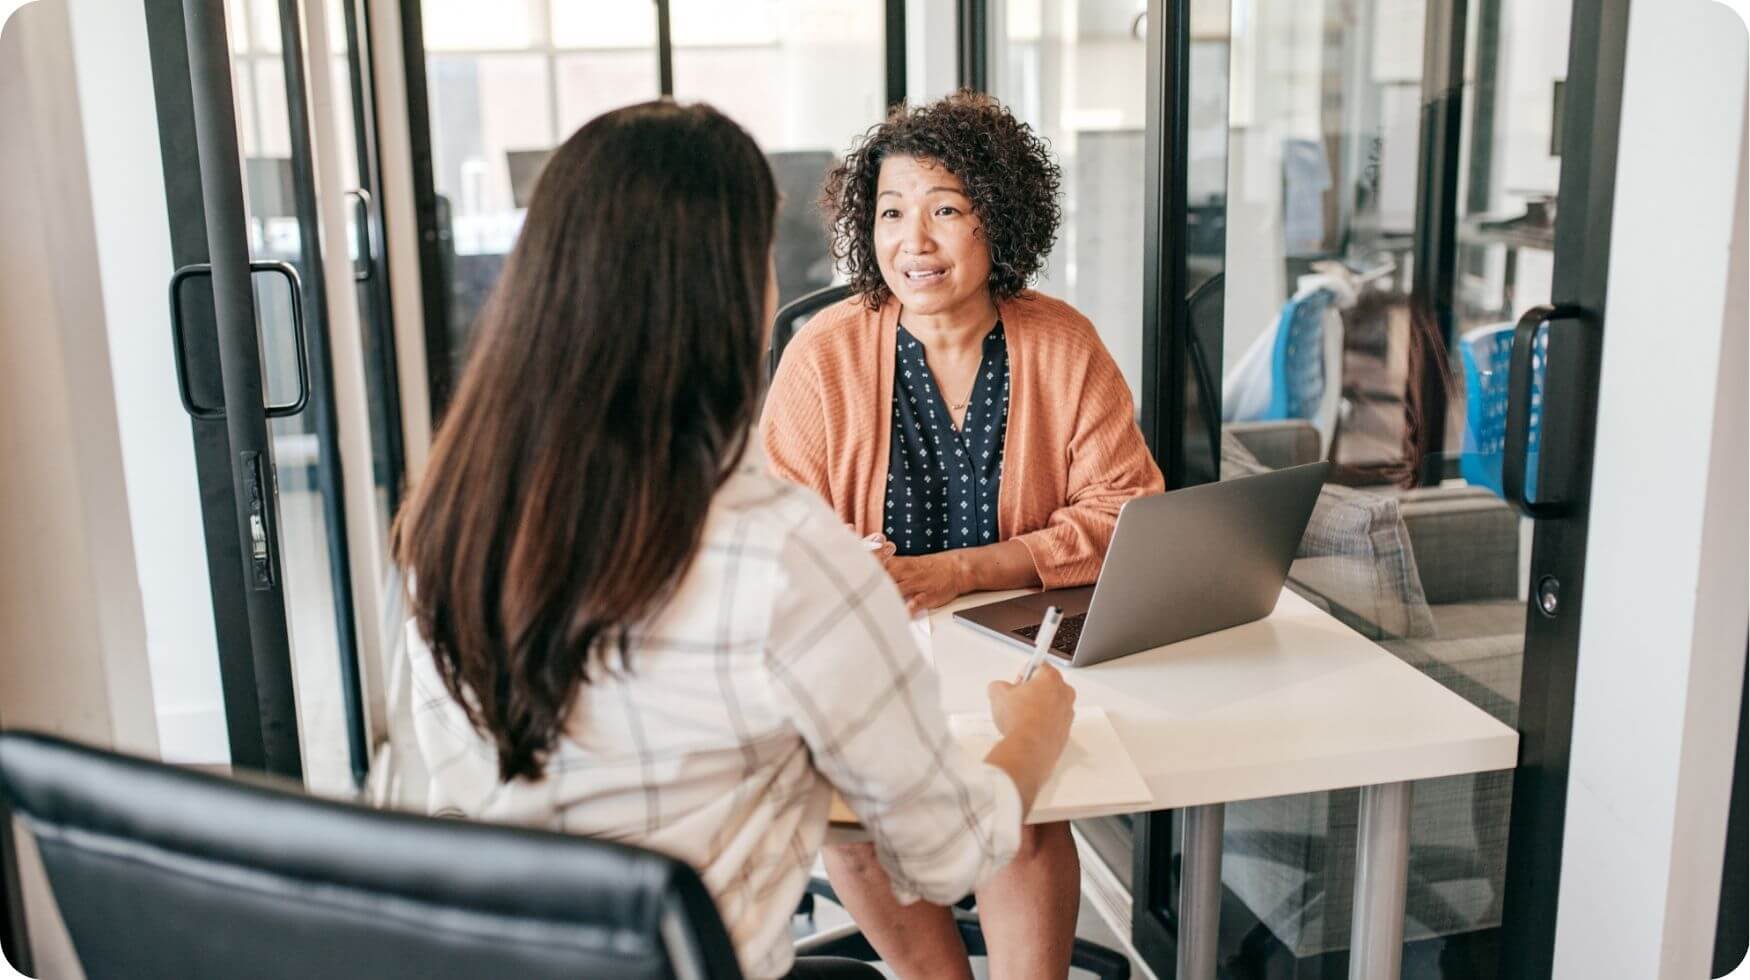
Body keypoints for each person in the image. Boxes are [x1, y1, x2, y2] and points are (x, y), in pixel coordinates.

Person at [392, 101, 1077, 980]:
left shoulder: (448, 525)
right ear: (725, 295)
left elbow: (459, 798)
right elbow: (947, 853)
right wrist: (1029, 740)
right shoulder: (783, 556)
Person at [761, 92, 1164, 979]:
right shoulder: (820, 358)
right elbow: (772, 537)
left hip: (1020, 643)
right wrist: (838, 568)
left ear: (999, 220)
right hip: (872, 653)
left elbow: (1124, 510)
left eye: (946, 210)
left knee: (1022, 821)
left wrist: (962, 571)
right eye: (892, 214)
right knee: (857, 824)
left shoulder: (1064, 345)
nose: (915, 242)